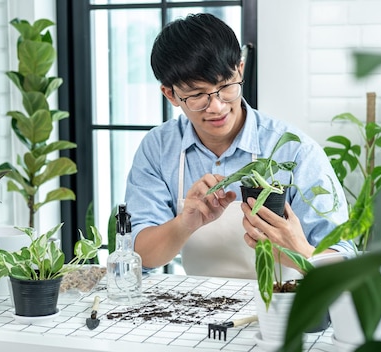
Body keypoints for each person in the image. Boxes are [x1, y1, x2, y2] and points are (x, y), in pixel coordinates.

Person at [124, 13, 353, 279]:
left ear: (240, 71)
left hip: (285, 307)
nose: (217, 106)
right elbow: (141, 258)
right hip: (197, 308)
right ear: (171, 94)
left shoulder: (295, 151)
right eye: (198, 95)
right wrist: (183, 225)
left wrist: (299, 250)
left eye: (226, 87)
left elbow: (346, 262)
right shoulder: (159, 148)